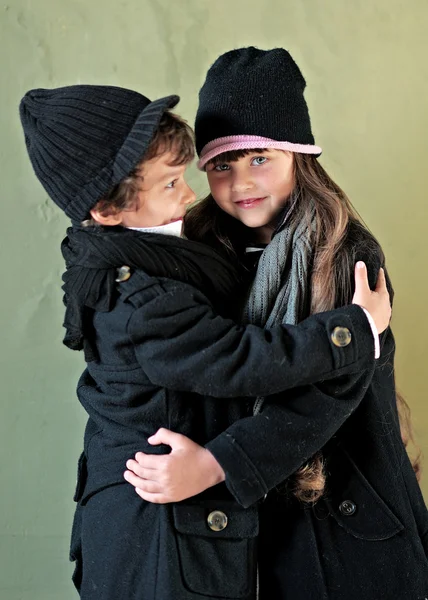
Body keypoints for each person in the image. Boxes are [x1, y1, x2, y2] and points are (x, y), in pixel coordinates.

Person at [125, 47, 428, 599]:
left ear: (298, 156)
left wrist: (219, 464)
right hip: (248, 518)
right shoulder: (202, 250)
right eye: (222, 165)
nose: (241, 182)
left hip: (344, 506)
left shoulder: (345, 252)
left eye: (259, 158)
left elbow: (331, 391)